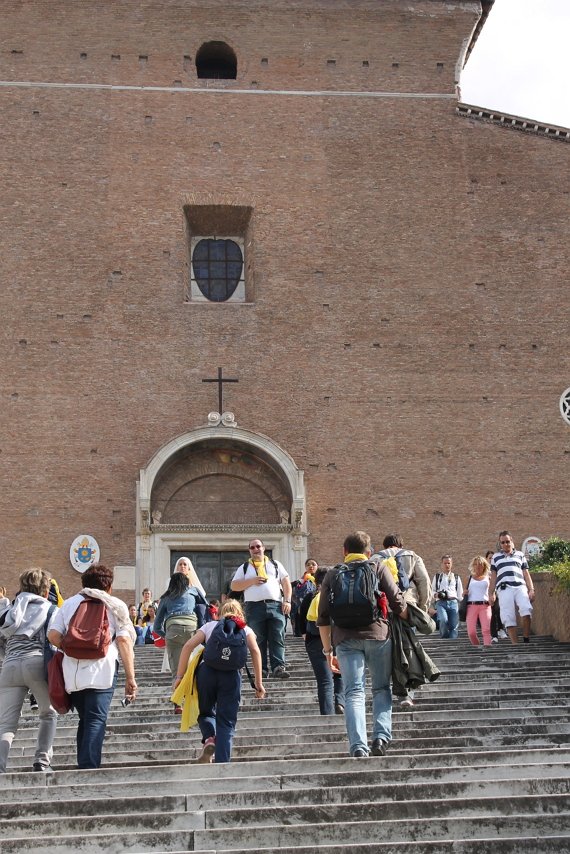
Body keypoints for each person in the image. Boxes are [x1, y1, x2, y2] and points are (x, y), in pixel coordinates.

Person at [318, 531, 408, 758]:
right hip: (378, 636)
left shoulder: (332, 574)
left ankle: (358, 746)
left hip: (345, 640)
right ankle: (380, 737)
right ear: (369, 552)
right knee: (380, 688)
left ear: (344, 551)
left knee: (353, 693)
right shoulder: (377, 567)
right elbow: (398, 602)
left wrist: (328, 650)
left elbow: (323, 617)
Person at [47, 564, 137, 769]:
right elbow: (123, 641)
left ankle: (85, 765)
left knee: (85, 718)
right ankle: (88, 768)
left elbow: (52, 635)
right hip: (102, 671)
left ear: (84, 583)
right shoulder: (115, 605)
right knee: (96, 719)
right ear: (109, 586)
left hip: (74, 673)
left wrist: (72, 648)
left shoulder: (69, 604)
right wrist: (131, 677)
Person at [173, 599, 266, 763]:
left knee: (207, 712)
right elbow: (255, 652)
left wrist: (180, 676)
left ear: (220, 612)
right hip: (231, 676)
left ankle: (209, 737)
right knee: (226, 721)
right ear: (240, 614)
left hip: (207, 673)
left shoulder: (210, 626)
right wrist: (258, 683)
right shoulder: (246, 629)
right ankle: (222, 763)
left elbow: (188, 646)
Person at [0, 568, 58, 773]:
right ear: (45, 590)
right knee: (48, 713)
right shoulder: (50, 608)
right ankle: (41, 761)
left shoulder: (11, 609)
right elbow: (54, 639)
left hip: (10, 665)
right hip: (36, 662)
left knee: (6, 724)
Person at [373, 533, 431, 707]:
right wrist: (422, 609)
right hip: (406, 607)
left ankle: (391, 691)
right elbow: (424, 582)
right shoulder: (412, 555)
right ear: (400, 544)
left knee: (388, 650)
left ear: (385, 545)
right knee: (408, 648)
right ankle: (407, 691)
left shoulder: (375, 558)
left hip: (384, 609)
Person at [230, 539, 292, 679]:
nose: (256, 549)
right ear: (249, 550)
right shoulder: (245, 567)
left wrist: (287, 601)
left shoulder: (275, 564)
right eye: (252, 547)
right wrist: (252, 581)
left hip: (275, 605)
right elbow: (234, 586)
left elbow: (286, 582)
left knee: (278, 636)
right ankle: (262, 669)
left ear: (264, 548)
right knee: (258, 639)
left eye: (258, 546)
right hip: (254, 607)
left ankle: (278, 667)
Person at [299, 566, 344, 715]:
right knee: (340, 673)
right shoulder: (338, 595)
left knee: (324, 680)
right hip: (337, 637)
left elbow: (299, 620)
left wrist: (306, 636)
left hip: (315, 641)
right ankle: (340, 702)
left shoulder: (310, 596)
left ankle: (327, 714)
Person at [154, 571, 201, 711]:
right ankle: (195, 699)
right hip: (192, 629)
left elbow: (156, 626)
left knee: (177, 669)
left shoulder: (166, 597)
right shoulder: (193, 591)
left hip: (173, 630)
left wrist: (166, 635)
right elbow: (204, 606)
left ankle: (178, 701)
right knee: (191, 665)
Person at [489, 531, 535, 645]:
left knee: (526, 610)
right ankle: (515, 645)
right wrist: (491, 593)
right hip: (504, 589)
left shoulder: (520, 555)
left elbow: (526, 573)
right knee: (508, 616)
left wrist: (532, 589)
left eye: (507, 541)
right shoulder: (495, 557)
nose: (505, 544)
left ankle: (526, 639)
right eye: (503, 542)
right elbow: (493, 577)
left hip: (520, 587)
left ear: (512, 541)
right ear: (500, 544)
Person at [431, 555, 463, 639]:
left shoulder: (456, 577)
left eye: (449, 563)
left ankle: (453, 643)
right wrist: (436, 594)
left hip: (453, 602)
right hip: (441, 603)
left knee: (454, 625)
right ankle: (444, 638)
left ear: (451, 564)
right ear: (441, 564)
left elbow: (460, 593)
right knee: (443, 620)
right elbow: (432, 590)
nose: (447, 565)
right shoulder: (437, 577)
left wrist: (462, 605)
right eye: (445, 563)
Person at [465, 556, 492, 647]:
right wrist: (464, 593)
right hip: (471, 605)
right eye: (476, 564)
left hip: (485, 605)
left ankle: (488, 649)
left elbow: (493, 591)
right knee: (471, 632)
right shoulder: (469, 578)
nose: (478, 566)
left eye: (480, 565)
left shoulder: (488, 577)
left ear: (484, 566)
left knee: (486, 630)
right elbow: (463, 593)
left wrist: (493, 596)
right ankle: (477, 647)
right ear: (473, 566)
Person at [291, 559, 318, 637]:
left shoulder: (322, 580)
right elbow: (294, 596)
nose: (311, 566)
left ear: (317, 566)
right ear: (305, 567)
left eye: (313, 564)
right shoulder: (300, 582)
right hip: (303, 611)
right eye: (308, 564)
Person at [486, 550, 507, 641]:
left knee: (499, 611)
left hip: (498, 594)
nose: (491, 560)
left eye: (492, 558)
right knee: (491, 614)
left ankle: (501, 629)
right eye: (489, 558)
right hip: (488, 595)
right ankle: (494, 635)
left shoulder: (498, 569)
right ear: (486, 559)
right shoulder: (484, 571)